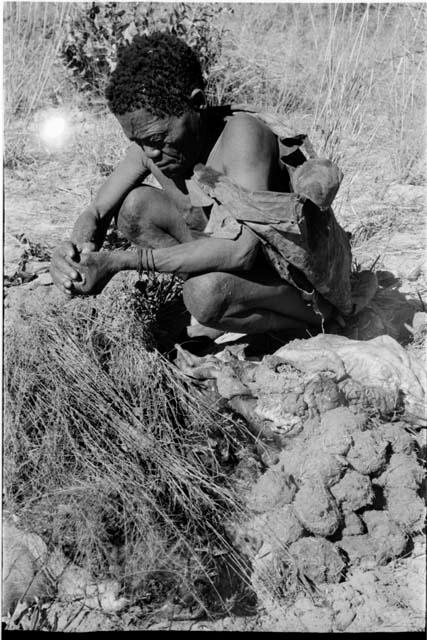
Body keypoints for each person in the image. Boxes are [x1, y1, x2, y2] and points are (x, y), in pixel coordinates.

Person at [50, 32, 351, 339]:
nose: (149, 152)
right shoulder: (152, 145)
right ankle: (226, 307)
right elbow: (98, 212)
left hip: (291, 281)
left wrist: (125, 261)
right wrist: (76, 253)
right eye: (138, 142)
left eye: (156, 139)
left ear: (195, 104)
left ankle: (308, 322)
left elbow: (241, 252)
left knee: (205, 294)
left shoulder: (242, 136)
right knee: (133, 208)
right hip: (228, 263)